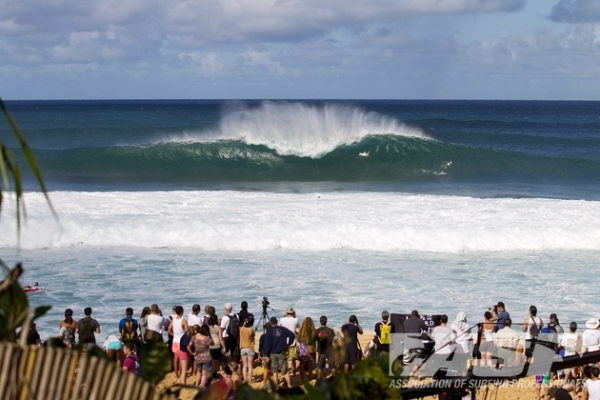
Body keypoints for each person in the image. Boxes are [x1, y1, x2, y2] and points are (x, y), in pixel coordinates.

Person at [262, 316, 295, 389]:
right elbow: (292, 335)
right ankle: (289, 385)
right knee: (285, 370)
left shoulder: (269, 332)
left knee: (275, 371)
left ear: (270, 323)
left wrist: (267, 354)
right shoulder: (283, 329)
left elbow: (267, 344)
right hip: (282, 352)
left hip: (273, 353)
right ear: (277, 322)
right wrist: (289, 344)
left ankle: (276, 387)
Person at [403, 310, 429, 375]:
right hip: (416, 343)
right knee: (417, 360)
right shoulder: (420, 321)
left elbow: (403, 332)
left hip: (407, 343)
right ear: (418, 315)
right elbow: (426, 328)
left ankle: (406, 373)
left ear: (411, 315)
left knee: (406, 360)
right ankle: (416, 374)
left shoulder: (406, 321)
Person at [168, 305, 189, 378]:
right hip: (181, 341)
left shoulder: (172, 320)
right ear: (182, 312)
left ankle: (176, 374)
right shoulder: (183, 321)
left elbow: (169, 330)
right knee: (181, 359)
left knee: (175, 359)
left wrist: (173, 335)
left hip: (174, 341)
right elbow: (187, 330)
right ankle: (181, 374)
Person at [279, 306, 300, 374]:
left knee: (284, 357)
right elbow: (298, 328)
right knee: (293, 358)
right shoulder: (296, 320)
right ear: (292, 312)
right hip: (292, 341)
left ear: (286, 312)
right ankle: (294, 371)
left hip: (284, 341)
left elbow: (279, 328)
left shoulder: (282, 319)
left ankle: (284, 371)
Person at [297, 316, 316, 381]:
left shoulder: (302, 330)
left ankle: (302, 378)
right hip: (309, 347)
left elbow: (298, 339)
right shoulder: (312, 330)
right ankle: (310, 377)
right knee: (309, 363)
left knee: (301, 363)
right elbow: (313, 340)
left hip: (303, 347)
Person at [239, 317, 255, 383]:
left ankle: (245, 380)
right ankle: (250, 380)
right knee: (250, 365)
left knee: (244, 365)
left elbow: (243, 326)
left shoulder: (241, 329)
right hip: (250, 347)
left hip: (242, 348)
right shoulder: (251, 329)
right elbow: (253, 336)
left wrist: (244, 323)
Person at [258, 322, 273, 387]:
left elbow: (260, 346)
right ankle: (271, 383)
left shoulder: (263, 336)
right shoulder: (274, 336)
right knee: (273, 369)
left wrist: (259, 354)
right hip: (273, 353)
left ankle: (265, 384)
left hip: (265, 354)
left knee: (265, 369)